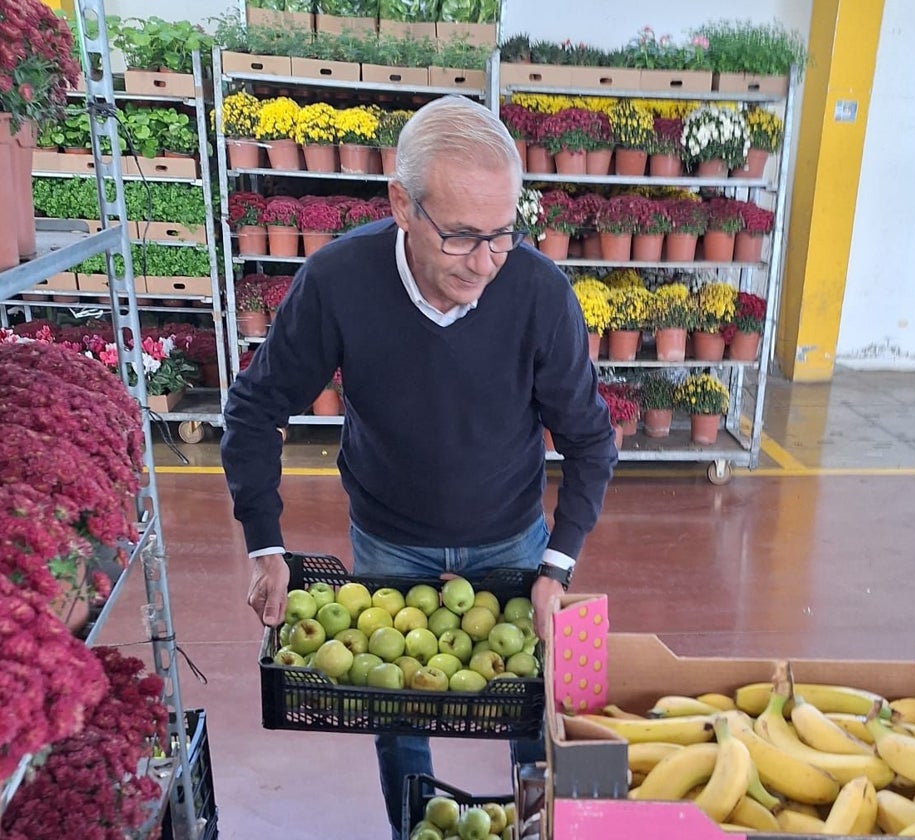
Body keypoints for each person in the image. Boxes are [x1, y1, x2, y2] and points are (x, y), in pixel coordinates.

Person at [220, 95, 617, 838]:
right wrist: (263, 544)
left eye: (504, 234)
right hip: (388, 542)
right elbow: (254, 407)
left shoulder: (536, 293)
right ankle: (414, 827)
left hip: (512, 543)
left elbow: (591, 441)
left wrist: (556, 566)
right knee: (395, 711)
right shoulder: (339, 282)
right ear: (402, 203)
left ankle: (536, 827)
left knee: (532, 709)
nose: (486, 262)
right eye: (463, 236)